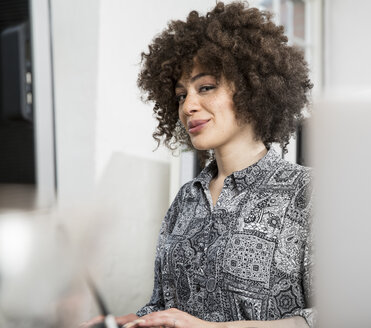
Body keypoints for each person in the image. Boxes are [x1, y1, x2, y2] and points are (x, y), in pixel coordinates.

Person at [82, 1, 313, 327]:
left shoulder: (308, 193)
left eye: (206, 87)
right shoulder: (185, 201)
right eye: (180, 95)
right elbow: (165, 308)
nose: (189, 105)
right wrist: (121, 322)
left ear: (252, 90)